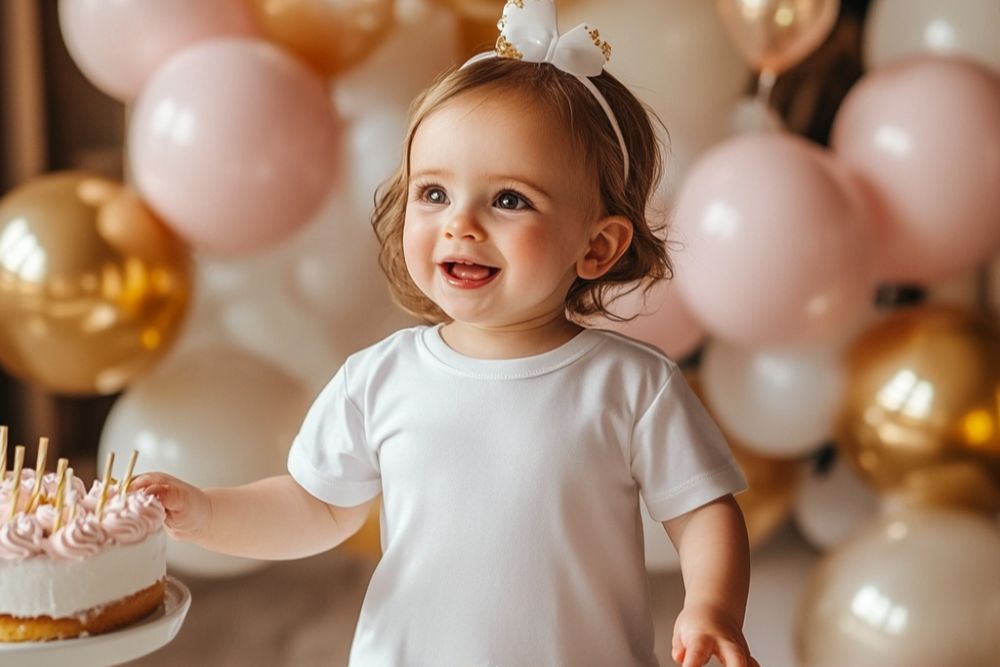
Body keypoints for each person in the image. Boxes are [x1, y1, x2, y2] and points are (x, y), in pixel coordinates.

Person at [134, 1, 758, 665]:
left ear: (597, 246)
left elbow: (703, 512)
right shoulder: (381, 377)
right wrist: (204, 511)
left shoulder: (631, 384)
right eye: (434, 193)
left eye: (509, 199)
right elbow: (312, 506)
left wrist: (711, 607)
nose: (460, 223)